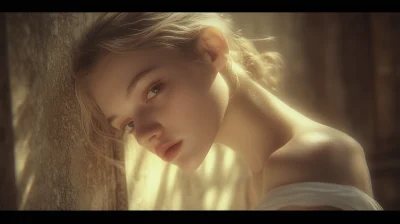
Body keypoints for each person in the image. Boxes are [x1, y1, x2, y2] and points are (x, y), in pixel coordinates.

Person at [71, 12, 383, 210]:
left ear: (211, 50)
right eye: (127, 124)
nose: (143, 135)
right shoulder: (260, 179)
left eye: (152, 89)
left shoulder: (305, 161)